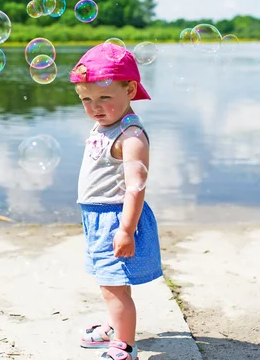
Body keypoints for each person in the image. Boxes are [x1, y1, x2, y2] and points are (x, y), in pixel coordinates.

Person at [69, 43, 163, 360]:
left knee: (114, 287)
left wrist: (126, 230)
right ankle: (114, 327)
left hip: (116, 220)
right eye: (86, 99)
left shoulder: (131, 135)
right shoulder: (105, 123)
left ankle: (124, 346)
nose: (95, 106)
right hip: (96, 217)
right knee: (109, 281)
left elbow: (136, 187)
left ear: (130, 89)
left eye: (104, 97)